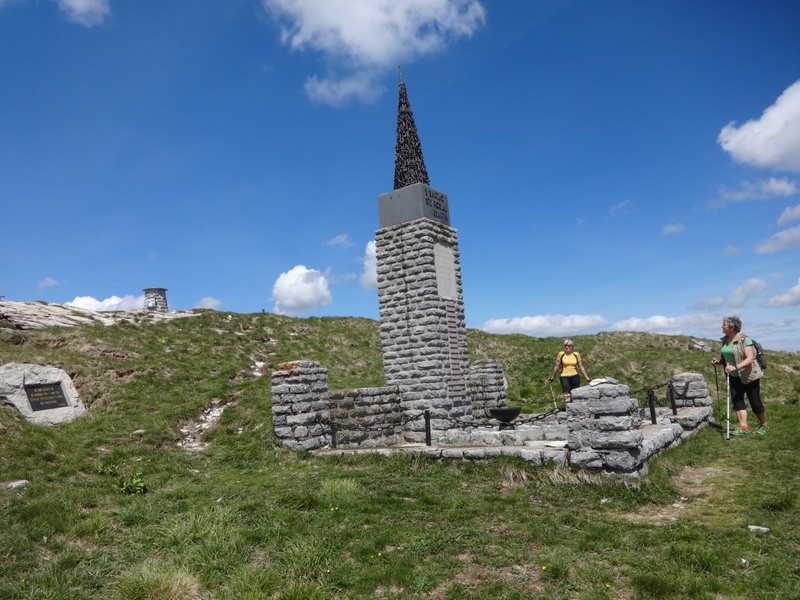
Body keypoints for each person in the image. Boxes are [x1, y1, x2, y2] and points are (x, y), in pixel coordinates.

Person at [711, 316, 767, 436]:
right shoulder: (725, 340)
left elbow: (750, 358)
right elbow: (729, 356)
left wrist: (736, 367)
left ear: (732, 327)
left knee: (755, 401)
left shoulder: (744, 339)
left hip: (749, 375)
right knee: (737, 401)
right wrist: (719, 362)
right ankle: (744, 427)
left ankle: (764, 425)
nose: (722, 326)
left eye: (724, 324)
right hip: (733, 376)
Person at [547, 339, 591, 403]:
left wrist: (587, 378)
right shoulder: (561, 354)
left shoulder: (576, 354)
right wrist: (552, 377)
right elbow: (557, 366)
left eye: (569, 345)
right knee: (566, 389)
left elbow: (581, 367)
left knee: (575, 391)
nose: (567, 347)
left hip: (575, 375)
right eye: (565, 345)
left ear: (573, 346)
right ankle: (567, 406)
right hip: (564, 375)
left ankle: (575, 406)